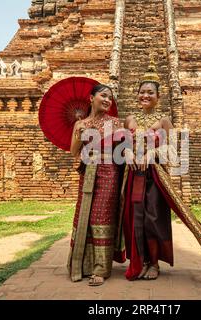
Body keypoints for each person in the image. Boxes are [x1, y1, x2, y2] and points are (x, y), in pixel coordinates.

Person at [120, 60, 201, 281]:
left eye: (150, 92)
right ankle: (140, 262)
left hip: (155, 176)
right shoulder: (129, 119)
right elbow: (121, 145)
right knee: (134, 218)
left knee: (153, 218)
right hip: (133, 176)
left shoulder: (164, 120)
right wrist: (127, 153)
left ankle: (154, 263)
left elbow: (174, 150)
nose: (145, 96)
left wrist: (152, 153)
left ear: (158, 97)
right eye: (142, 92)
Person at [67, 84, 125, 286]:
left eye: (111, 98)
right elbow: (74, 152)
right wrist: (79, 133)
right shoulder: (80, 124)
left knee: (101, 216)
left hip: (109, 172)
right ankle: (81, 265)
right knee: (84, 215)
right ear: (91, 98)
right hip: (87, 172)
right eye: (104, 95)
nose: (108, 100)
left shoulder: (116, 123)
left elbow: (125, 150)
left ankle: (101, 269)